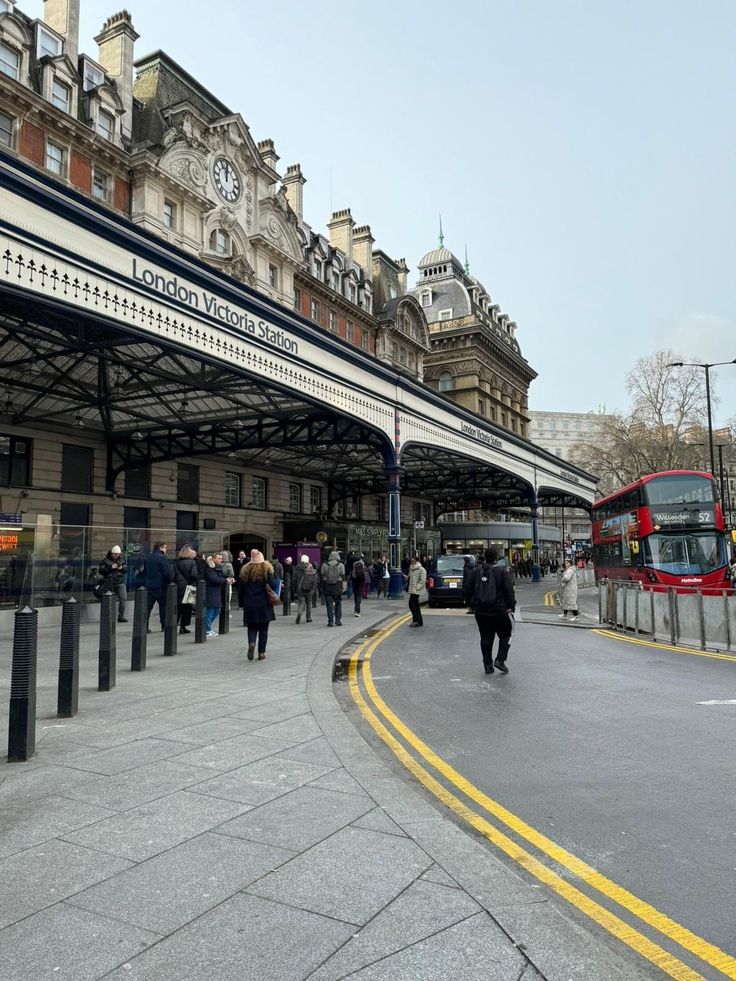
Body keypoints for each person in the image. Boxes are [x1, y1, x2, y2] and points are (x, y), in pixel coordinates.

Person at [468, 547, 516, 674]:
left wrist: (471, 605)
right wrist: (511, 606)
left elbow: (467, 589)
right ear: (496, 559)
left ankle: (487, 665)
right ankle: (500, 660)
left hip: (481, 611)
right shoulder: (501, 572)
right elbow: (509, 590)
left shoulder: (475, 572)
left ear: (484, 557)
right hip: (500, 611)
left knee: (486, 638)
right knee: (506, 635)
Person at [239, 550, 277, 659]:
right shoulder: (266, 570)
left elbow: (241, 590)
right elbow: (273, 585)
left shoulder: (245, 570)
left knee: (251, 627)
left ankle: (252, 642)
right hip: (264, 603)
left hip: (250, 603)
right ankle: (261, 653)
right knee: (264, 629)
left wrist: (242, 603)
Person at [144, 541, 173, 632]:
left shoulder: (148, 557)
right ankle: (164, 626)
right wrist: (169, 582)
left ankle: (144, 626)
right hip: (161, 586)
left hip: (149, 586)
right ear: (160, 548)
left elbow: (145, 571)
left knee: (147, 608)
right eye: (165, 547)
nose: (166, 549)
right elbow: (166, 573)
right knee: (163, 607)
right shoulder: (162, 558)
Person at [204, 552, 233, 637]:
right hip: (210, 591)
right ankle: (207, 629)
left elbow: (221, 576)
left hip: (216, 591)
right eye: (219, 558)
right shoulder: (210, 568)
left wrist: (228, 579)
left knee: (217, 610)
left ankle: (206, 627)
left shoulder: (218, 567)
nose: (221, 560)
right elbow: (214, 579)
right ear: (213, 559)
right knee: (210, 611)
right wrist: (225, 580)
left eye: (221, 558)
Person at [98, 545, 127, 622]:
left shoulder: (122, 560)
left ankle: (121, 616)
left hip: (120, 582)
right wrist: (111, 568)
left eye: (118, 554)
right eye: (115, 554)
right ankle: (110, 616)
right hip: (109, 582)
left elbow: (125, 570)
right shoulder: (105, 561)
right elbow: (101, 571)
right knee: (110, 600)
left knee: (123, 599)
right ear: (112, 553)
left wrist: (121, 568)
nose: (116, 555)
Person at [175, 545, 199, 634]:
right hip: (189, 586)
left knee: (178, 607)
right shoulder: (192, 562)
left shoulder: (177, 562)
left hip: (178, 586)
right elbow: (194, 575)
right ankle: (183, 627)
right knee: (187, 607)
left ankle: (174, 624)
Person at [320, 550, 345, 626]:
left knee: (329, 605)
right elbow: (343, 573)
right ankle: (338, 621)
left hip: (327, 586)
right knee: (338, 603)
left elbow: (321, 573)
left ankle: (330, 621)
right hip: (337, 585)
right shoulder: (340, 565)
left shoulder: (325, 565)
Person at [294, 555, 317, 624]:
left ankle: (299, 614)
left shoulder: (297, 568)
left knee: (301, 603)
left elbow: (294, 579)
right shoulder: (310, 567)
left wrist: (295, 588)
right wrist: (313, 588)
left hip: (300, 589)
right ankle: (308, 617)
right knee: (309, 603)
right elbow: (314, 579)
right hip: (310, 589)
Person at [407, 555, 427, 627]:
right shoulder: (411, 568)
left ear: (417, 561)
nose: (411, 562)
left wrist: (417, 588)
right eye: (411, 561)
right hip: (412, 590)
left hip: (416, 590)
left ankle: (415, 621)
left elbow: (422, 581)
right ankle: (419, 621)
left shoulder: (422, 569)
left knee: (412, 604)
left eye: (413, 561)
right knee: (415, 605)